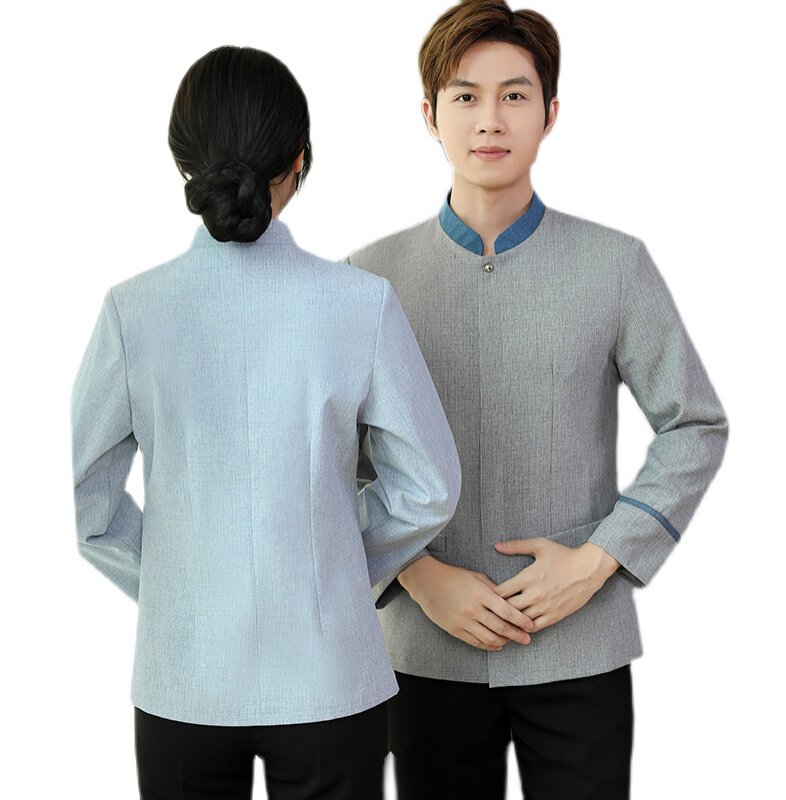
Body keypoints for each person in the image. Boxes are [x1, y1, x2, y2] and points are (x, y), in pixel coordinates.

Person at [346, 2, 728, 798]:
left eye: (514, 95)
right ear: (430, 114)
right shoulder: (367, 279)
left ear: (550, 113)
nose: (490, 119)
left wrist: (599, 559)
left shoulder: (616, 265)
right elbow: (330, 457)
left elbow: (694, 424)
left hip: (580, 643)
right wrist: (417, 573)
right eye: (466, 95)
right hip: (426, 648)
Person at [70, 45, 461, 800]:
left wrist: (185, 586)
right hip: (331, 676)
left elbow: (90, 508)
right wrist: (333, 567)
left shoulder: (131, 312)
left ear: (184, 163)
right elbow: (429, 488)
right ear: (300, 160)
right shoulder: (361, 303)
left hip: (184, 679)